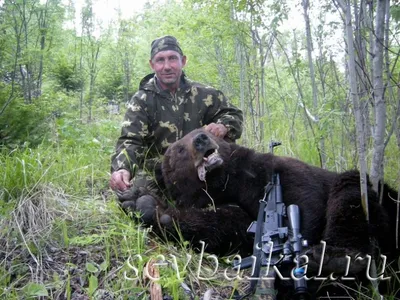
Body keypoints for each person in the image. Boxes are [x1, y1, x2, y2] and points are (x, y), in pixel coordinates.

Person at [109, 35, 243, 211]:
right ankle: (157, 212)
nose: (166, 66)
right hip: (160, 171)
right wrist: (122, 168)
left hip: (201, 166)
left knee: (238, 191)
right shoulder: (142, 100)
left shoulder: (206, 94)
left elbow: (233, 115)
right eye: (160, 60)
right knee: (132, 200)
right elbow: (131, 140)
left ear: (183, 61)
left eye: (172, 58)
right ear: (152, 64)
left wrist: (224, 126)